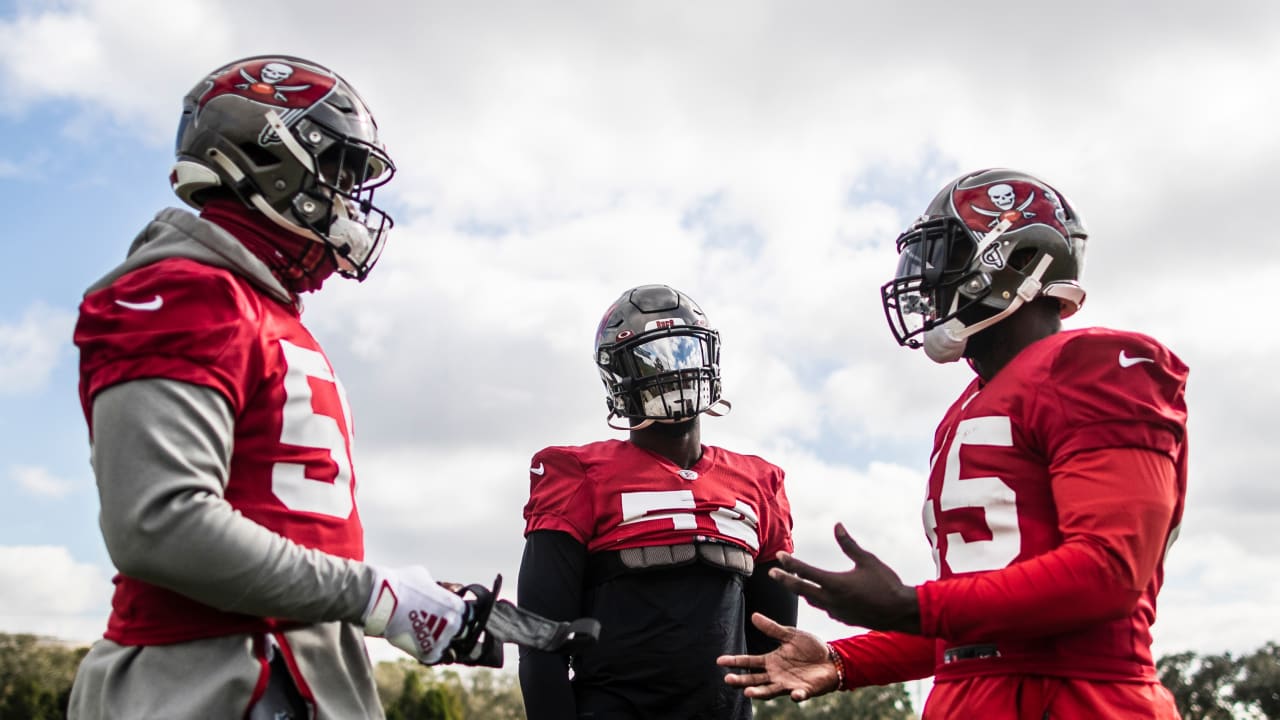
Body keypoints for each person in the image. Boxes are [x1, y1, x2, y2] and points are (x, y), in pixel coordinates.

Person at [69, 55, 495, 719]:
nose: (348, 199)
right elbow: (160, 525)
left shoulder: (264, 309)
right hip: (207, 682)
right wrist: (376, 596)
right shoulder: (182, 290)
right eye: (338, 172)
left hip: (303, 676)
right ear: (272, 153)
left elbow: (289, 525)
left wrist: (409, 596)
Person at [718, 169, 1188, 718]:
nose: (925, 280)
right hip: (972, 698)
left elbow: (1107, 574)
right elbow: (976, 627)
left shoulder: (1097, 367)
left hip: (1078, 697)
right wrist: (846, 661)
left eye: (943, 257)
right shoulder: (968, 405)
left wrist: (909, 606)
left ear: (1013, 258)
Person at [518, 284, 798, 719]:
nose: (673, 372)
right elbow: (540, 642)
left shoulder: (759, 482)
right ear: (619, 375)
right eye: (652, 359)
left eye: (683, 353)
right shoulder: (577, 473)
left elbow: (771, 641)